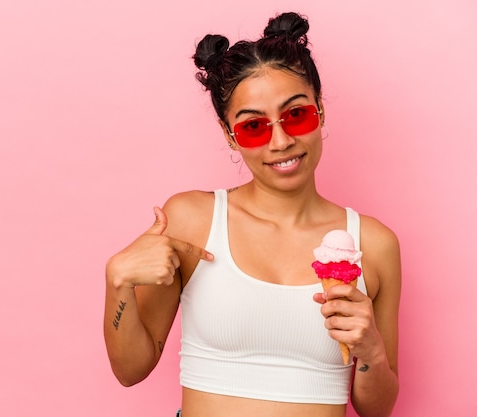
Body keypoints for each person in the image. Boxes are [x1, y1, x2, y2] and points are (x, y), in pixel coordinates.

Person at [103, 11, 400, 417]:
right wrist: (117, 280)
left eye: (296, 115)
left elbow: (376, 408)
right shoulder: (193, 221)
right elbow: (130, 370)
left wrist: (371, 352)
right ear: (230, 135)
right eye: (254, 127)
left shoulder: (374, 244)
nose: (280, 141)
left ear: (320, 111)